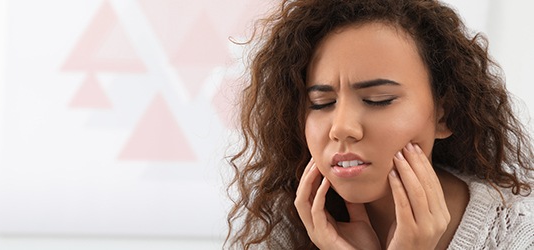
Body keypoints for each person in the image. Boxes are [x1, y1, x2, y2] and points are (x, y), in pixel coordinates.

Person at [224, 0, 534, 249]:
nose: (341, 127)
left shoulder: (519, 236)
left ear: (444, 114)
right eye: (321, 103)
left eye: (378, 99)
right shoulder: (283, 228)